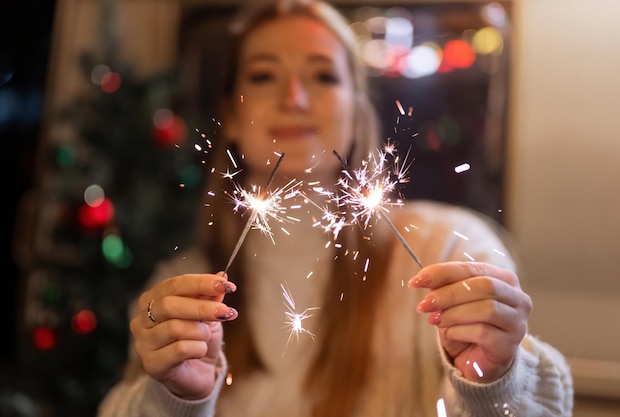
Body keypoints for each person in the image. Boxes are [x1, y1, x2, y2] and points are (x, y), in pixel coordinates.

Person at [97, 1, 573, 416]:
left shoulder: (448, 251)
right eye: (264, 76)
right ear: (234, 116)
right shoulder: (186, 291)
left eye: (323, 75)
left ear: (357, 112)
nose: (294, 99)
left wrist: (497, 379)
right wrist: (173, 399)